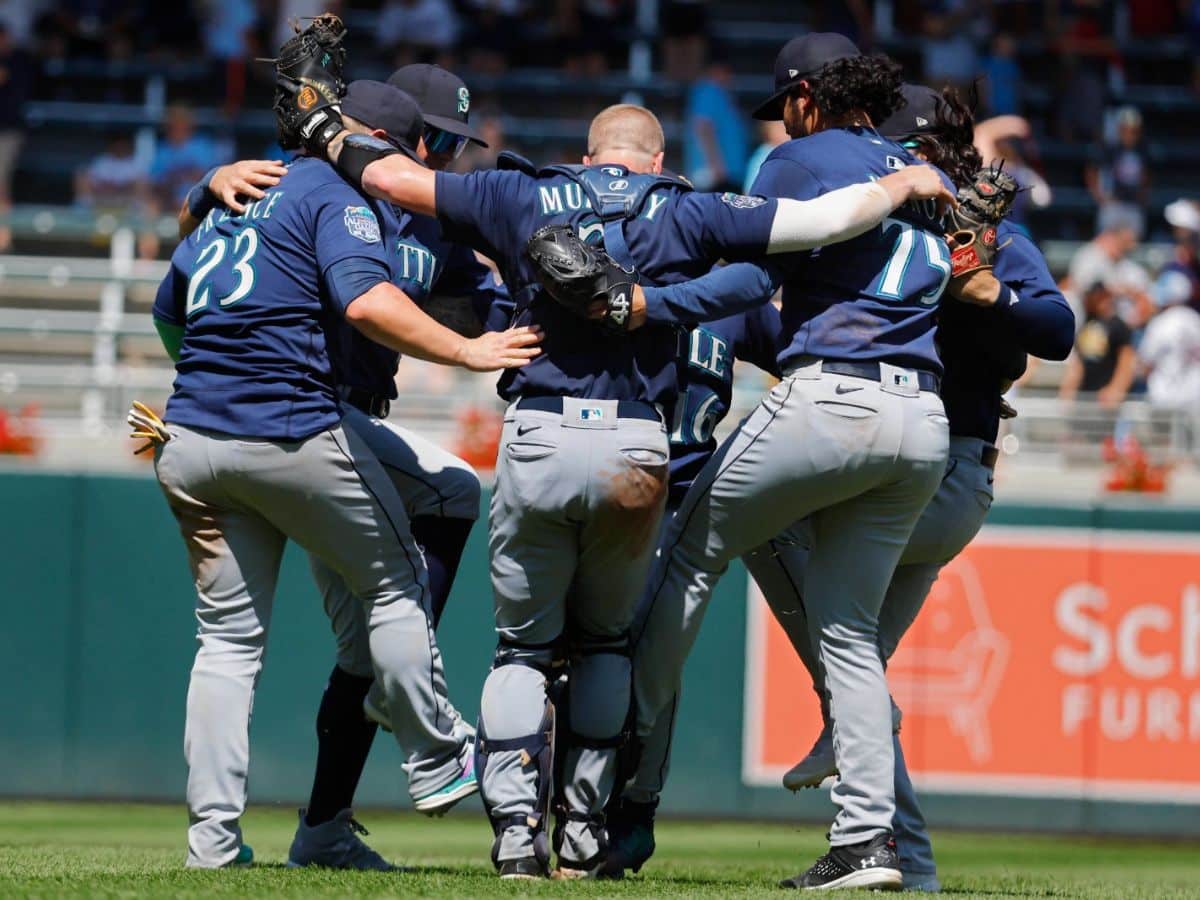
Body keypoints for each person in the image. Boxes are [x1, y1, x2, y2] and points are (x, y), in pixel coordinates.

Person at [278, 71, 951, 877]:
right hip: (640, 449)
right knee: (605, 647)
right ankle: (593, 833)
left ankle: (517, 837)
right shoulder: (690, 208)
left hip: (540, 437)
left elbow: (390, 177)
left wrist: (323, 134)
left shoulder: (517, 195)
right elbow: (811, 231)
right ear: (658, 156)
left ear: (588, 154)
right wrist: (905, 178)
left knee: (523, 652)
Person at [147, 86, 540, 868]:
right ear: (384, 144)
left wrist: (207, 383)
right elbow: (364, 302)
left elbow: (170, 308)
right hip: (295, 428)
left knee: (225, 644)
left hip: (191, 433)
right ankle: (435, 758)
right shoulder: (339, 191)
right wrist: (469, 353)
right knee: (394, 587)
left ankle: (211, 844)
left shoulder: (240, 190)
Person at [625, 35, 956, 890]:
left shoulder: (800, 157)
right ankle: (869, 845)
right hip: (923, 415)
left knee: (685, 556)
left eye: (788, 105)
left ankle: (619, 762)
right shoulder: (918, 165)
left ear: (808, 95)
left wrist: (649, 304)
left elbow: (742, 285)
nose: (784, 122)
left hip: (833, 398)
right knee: (847, 633)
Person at [763, 83, 1073, 892]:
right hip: (932, 478)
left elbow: (1058, 329)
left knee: (764, 532)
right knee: (860, 665)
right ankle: (909, 863)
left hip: (935, 474)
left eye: (915, 149)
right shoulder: (890, 236)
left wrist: (986, 291)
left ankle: (845, 725)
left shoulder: (989, 237)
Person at [1059, 280, 1137, 411]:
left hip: (1106, 399)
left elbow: (1127, 360)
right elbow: (1078, 363)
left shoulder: (1118, 325)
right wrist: (1068, 390)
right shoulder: (1086, 325)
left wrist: (1115, 389)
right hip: (1084, 397)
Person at [683, 45, 751, 192]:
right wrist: (715, 165)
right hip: (715, 176)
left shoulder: (721, 93)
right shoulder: (708, 90)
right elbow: (703, 127)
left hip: (727, 175)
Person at [1086, 106, 1152, 239]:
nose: (1130, 134)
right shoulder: (1109, 149)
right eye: (1127, 130)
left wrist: (1143, 195)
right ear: (1120, 129)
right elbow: (1091, 170)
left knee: (1132, 242)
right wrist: (1098, 195)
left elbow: (1146, 174)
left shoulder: (1143, 150)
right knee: (1106, 244)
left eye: (1134, 131)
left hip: (1133, 205)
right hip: (1112, 205)